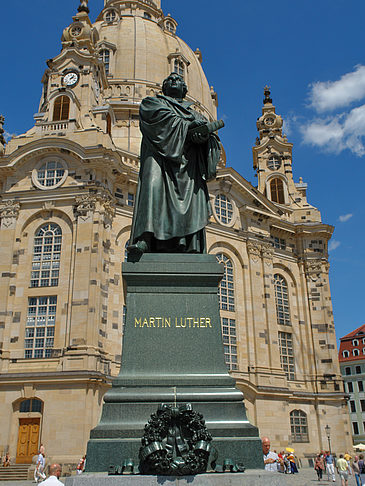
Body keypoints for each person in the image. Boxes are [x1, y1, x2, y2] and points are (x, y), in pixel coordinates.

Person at [128, 72, 222, 256]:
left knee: (191, 194)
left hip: (188, 165)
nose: (174, 81)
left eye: (178, 79)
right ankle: (145, 238)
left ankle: (188, 244)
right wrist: (188, 126)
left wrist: (203, 137)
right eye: (170, 79)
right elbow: (155, 119)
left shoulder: (195, 114)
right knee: (152, 186)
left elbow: (211, 141)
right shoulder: (153, 103)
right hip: (158, 157)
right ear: (163, 87)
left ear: (185, 89)